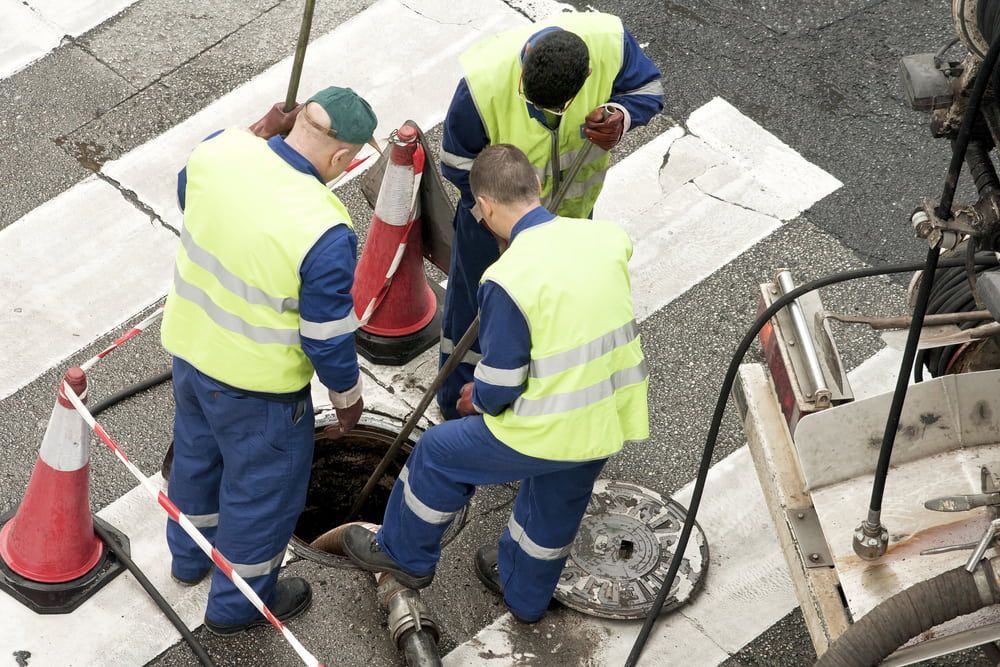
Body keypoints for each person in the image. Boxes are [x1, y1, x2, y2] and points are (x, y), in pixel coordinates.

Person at [341, 144, 649, 624]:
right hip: (606, 415)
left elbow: (502, 381)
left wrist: (476, 396)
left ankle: (404, 555)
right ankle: (524, 595)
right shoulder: (606, 238)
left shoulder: (508, 278)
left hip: (549, 427)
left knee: (440, 454)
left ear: (484, 207)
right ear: (537, 188)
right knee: (553, 508)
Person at [160, 87, 376, 635]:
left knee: (196, 461)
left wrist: (257, 134)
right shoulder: (324, 228)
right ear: (340, 158)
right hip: (259, 393)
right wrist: (347, 400)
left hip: (191, 356)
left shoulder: (221, 149)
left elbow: (190, 196)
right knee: (261, 501)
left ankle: (188, 563)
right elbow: (327, 338)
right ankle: (237, 610)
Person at [436, 11, 663, 419]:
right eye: (532, 103)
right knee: (478, 310)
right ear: (522, 68)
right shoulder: (482, 84)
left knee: (548, 314)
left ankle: (524, 400)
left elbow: (647, 88)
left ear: (588, 74)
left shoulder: (610, 43)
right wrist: (500, 225)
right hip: (491, 231)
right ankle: (459, 404)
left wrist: (620, 116)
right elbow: (456, 161)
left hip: (570, 220)